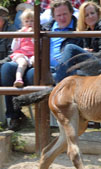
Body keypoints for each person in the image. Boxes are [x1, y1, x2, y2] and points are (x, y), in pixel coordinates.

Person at [0, 0, 82, 131]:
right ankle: (14, 116)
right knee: (7, 69)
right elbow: (21, 46)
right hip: (34, 62)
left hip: (55, 69)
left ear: (71, 13)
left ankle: (42, 122)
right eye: (58, 15)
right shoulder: (46, 27)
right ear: (53, 16)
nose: (62, 18)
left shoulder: (79, 28)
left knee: (35, 75)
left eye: (65, 14)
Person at [54, 1, 101, 83]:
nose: (90, 16)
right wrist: (87, 52)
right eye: (86, 15)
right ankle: (57, 80)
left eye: (92, 13)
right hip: (91, 66)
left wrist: (89, 53)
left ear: (98, 14)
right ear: (83, 18)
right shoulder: (87, 30)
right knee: (69, 73)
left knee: (70, 47)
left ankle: (56, 85)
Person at [10, 9, 34, 88]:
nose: (29, 23)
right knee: (22, 63)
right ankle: (18, 79)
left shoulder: (37, 32)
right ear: (23, 23)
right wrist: (16, 39)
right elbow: (14, 48)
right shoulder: (21, 32)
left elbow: (39, 46)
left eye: (32, 21)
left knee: (35, 60)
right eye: (27, 21)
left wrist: (32, 37)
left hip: (33, 54)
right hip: (22, 54)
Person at [0, 6, 17, 75]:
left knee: (6, 68)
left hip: (5, 64)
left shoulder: (11, 31)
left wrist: (1, 62)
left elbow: (12, 54)